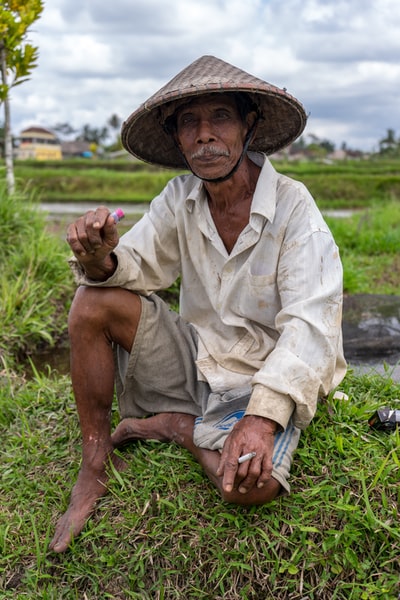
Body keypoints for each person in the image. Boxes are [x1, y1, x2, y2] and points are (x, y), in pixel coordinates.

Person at [49, 55, 346, 553]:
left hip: (260, 376)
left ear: (248, 126)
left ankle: (175, 426)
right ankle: (96, 463)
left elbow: (310, 325)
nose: (205, 135)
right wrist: (100, 258)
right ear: (178, 138)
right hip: (198, 358)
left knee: (251, 486)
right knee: (91, 302)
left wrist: (261, 418)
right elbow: (134, 264)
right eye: (190, 122)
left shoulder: (295, 210)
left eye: (221, 117)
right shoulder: (180, 197)